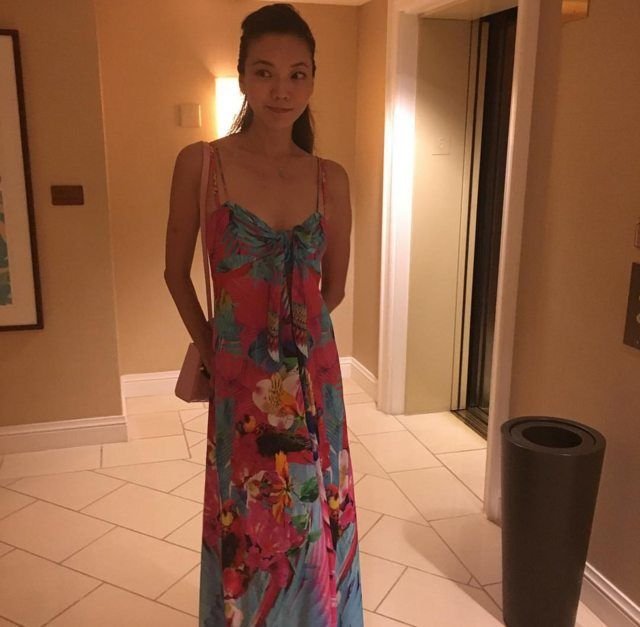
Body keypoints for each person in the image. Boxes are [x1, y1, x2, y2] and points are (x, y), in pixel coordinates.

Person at [165, 4, 363, 626]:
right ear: (243, 77)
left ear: (313, 80)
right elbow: (174, 273)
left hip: (316, 384)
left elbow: (332, 289)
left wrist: (291, 341)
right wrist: (219, 351)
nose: (282, 90)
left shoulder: (331, 179)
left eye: (298, 74)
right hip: (240, 386)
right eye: (265, 72)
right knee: (250, 523)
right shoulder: (202, 164)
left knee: (314, 512)